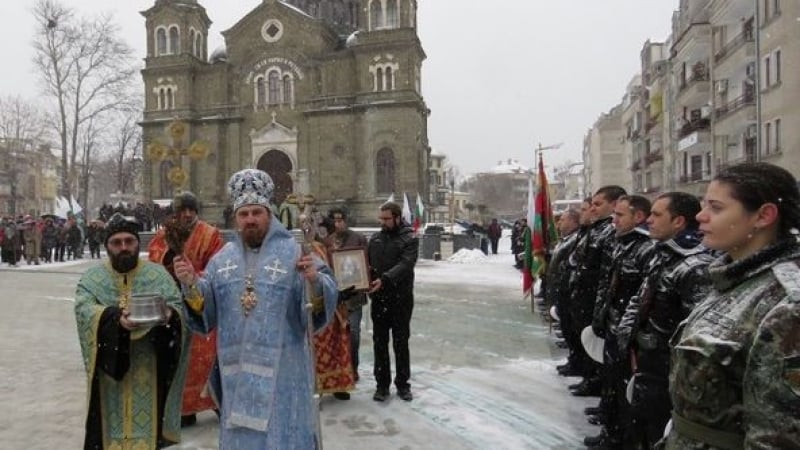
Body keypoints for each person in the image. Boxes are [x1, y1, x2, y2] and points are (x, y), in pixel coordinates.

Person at [173, 169, 339, 449]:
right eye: (244, 214)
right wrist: (191, 285)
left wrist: (315, 281)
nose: (250, 219)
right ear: (236, 218)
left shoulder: (295, 252)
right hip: (236, 374)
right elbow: (206, 313)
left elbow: (317, 308)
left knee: (282, 437)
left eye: (256, 213)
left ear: (269, 214)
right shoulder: (221, 260)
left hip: (284, 375)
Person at [664, 163, 800, 449]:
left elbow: (777, 435)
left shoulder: (786, 303)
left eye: (715, 207)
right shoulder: (732, 278)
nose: (700, 216)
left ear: (763, 216)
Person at [74, 213, 190, 449]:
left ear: (138, 243)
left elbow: (178, 309)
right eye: (116, 243)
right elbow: (84, 309)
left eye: (129, 241)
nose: (124, 247)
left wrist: (169, 316)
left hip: (150, 366)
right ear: (107, 246)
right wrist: (115, 319)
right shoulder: (92, 279)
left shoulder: (158, 276)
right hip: (110, 370)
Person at [611, 191, 714, 449]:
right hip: (649, 362)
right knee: (643, 426)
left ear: (678, 221)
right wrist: (627, 338)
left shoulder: (694, 266)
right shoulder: (664, 253)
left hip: (667, 373)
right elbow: (641, 297)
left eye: (657, 215)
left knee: (657, 431)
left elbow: (695, 333)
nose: (649, 221)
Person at [148, 191, 224, 426]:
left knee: (208, 357)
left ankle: (216, 401)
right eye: (183, 210)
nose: (188, 215)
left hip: (201, 302)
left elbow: (217, 267)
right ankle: (186, 408)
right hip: (174, 306)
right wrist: (170, 256)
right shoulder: (163, 236)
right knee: (181, 359)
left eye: (192, 210)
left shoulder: (210, 235)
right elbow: (153, 264)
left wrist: (194, 279)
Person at [587, 195, 654, 449]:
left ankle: (620, 438)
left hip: (629, 334)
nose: (613, 220)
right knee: (613, 381)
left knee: (627, 392)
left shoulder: (646, 248)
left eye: (620, 215)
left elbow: (641, 298)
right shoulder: (622, 243)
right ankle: (612, 431)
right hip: (614, 325)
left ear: (638, 217)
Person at [367, 201, 419, 402]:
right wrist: (365, 277)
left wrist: (385, 279)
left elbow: (406, 264)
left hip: (401, 299)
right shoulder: (376, 238)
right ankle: (381, 385)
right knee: (379, 342)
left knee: (400, 342)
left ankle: (403, 384)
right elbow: (368, 264)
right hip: (379, 299)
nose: (383, 222)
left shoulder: (409, 238)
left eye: (387, 219)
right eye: (381, 219)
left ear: (397, 217)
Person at [324, 208, 369, 392]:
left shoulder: (358, 239)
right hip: (334, 297)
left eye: (341, 220)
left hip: (354, 297)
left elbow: (365, 263)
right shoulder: (327, 241)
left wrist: (363, 278)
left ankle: (353, 368)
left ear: (346, 220)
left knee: (354, 334)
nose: (338, 223)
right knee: (336, 336)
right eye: (335, 220)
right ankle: (339, 370)